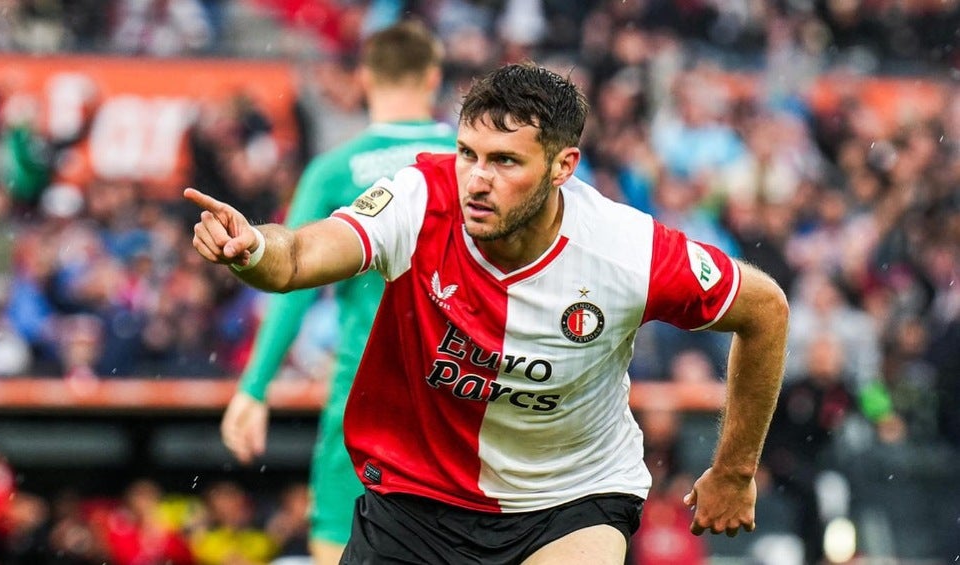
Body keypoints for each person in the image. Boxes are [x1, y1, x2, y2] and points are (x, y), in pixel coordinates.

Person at [188, 61, 789, 563]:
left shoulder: (628, 250)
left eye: (504, 161)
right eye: (468, 153)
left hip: (569, 500)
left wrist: (735, 470)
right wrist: (255, 249)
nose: (477, 179)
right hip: (415, 499)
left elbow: (765, 309)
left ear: (563, 166)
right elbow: (299, 256)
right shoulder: (421, 198)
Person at [218, 20, 456, 565]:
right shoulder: (470, 164)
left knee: (339, 543)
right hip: (459, 392)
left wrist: (254, 388)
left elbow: (290, 285)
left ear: (366, 80)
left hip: (364, 393)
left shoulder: (334, 170)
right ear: (433, 77)